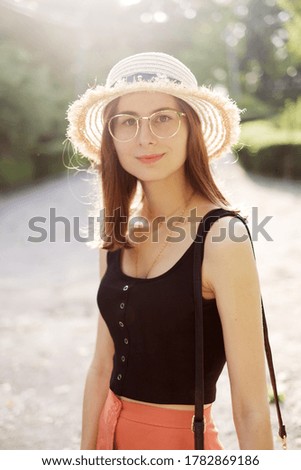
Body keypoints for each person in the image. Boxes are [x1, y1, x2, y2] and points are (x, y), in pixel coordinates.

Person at [66, 52, 274, 450]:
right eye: (127, 121)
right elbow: (100, 366)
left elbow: (250, 406)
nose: (145, 137)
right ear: (111, 138)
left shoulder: (223, 237)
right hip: (106, 439)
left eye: (162, 117)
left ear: (190, 128)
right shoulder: (118, 231)